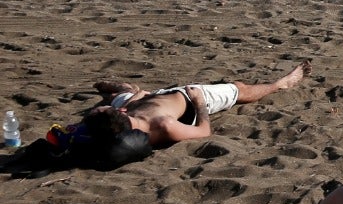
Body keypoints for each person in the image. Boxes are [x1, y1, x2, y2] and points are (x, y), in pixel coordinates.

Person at [80, 60, 310, 149]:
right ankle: (282, 83)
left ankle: (127, 90)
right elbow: (204, 131)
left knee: (126, 94)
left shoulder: (114, 124)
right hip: (187, 98)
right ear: (120, 113)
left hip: (142, 102)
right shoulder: (164, 125)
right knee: (240, 89)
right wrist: (199, 101)